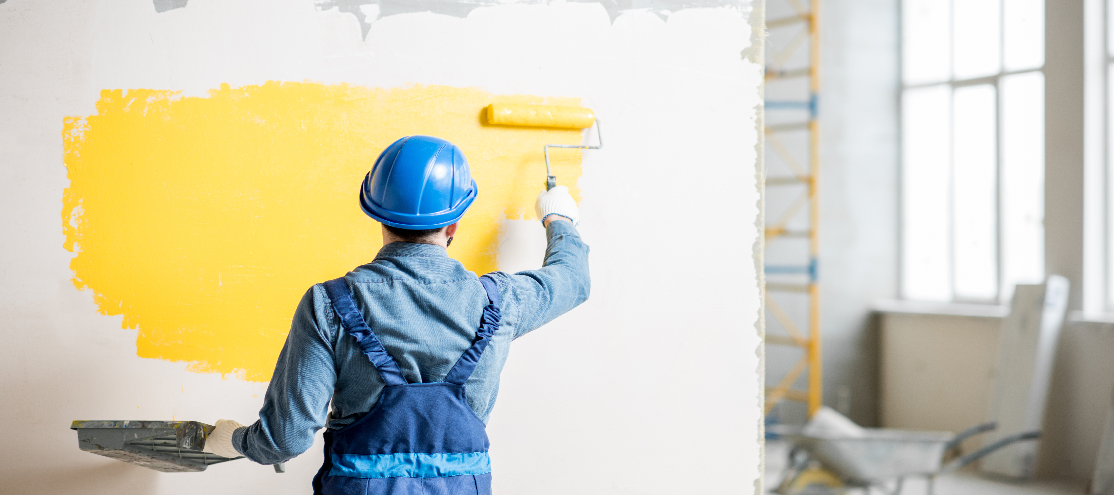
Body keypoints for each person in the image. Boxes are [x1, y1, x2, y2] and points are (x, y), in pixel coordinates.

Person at [203, 135, 590, 494]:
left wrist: (232, 439)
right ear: (454, 224)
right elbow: (573, 279)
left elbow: (283, 441)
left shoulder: (328, 303)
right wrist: (558, 218)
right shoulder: (501, 301)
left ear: (377, 213)